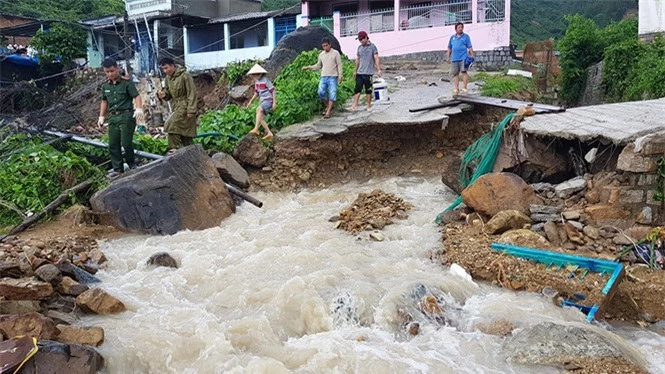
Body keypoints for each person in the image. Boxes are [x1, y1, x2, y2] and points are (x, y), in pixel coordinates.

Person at [98, 58, 145, 178]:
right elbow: (104, 101)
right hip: (113, 117)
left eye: (112, 71)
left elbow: (137, 96)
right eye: (107, 72)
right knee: (113, 144)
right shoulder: (105, 86)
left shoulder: (126, 83)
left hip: (126, 115)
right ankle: (118, 168)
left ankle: (131, 163)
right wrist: (101, 116)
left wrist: (139, 108)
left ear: (117, 68)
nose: (110, 74)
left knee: (126, 142)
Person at [157, 57, 198, 154]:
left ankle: (173, 148)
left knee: (172, 124)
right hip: (176, 106)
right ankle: (191, 153)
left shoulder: (185, 75)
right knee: (184, 134)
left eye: (166, 68)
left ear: (172, 65)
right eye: (163, 69)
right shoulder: (168, 78)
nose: (165, 71)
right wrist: (164, 95)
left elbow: (192, 92)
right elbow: (169, 94)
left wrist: (191, 109)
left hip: (185, 105)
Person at [302, 37, 343, 119]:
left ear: (330, 44)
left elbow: (339, 65)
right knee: (320, 92)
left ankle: (328, 112)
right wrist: (308, 67)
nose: (325, 47)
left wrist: (340, 75)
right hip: (323, 76)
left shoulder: (335, 53)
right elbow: (318, 65)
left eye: (326, 45)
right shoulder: (321, 54)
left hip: (333, 76)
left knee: (332, 94)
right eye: (323, 46)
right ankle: (328, 106)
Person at [351, 31, 381, 111]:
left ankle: (368, 105)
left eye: (361, 39)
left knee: (368, 90)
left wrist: (378, 69)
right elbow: (357, 60)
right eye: (359, 40)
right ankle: (355, 104)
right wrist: (355, 71)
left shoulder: (372, 47)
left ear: (366, 37)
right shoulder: (359, 48)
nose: (360, 41)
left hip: (369, 73)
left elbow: (376, 58)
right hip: (360, 72)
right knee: (357, 88)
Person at [246, 64, 276, 141]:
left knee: (258, 109)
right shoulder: (257, 82)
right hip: (262, 101)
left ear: (260, 74)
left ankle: (256, 128)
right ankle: (269, 133)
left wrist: (274, 103)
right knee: (261, 118)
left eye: (256, 74)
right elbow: (256, 93)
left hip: (268, 100)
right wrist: (250, 102)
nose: (255, 76)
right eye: (253, 75)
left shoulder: (266, 80)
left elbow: (273, 90)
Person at [447, 22, 474, 96]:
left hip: (463, 58)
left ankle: (464, 88)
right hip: (454, 58)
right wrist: (448, 57)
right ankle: (456, 88)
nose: (460, 28)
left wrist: (472, 55)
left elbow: (469, 46)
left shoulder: (466, 37)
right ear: (456, 29)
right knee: (455, 74)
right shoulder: (452, 38)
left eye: (461, 27)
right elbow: (449, 48)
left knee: (464, 72)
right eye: (459, 27)